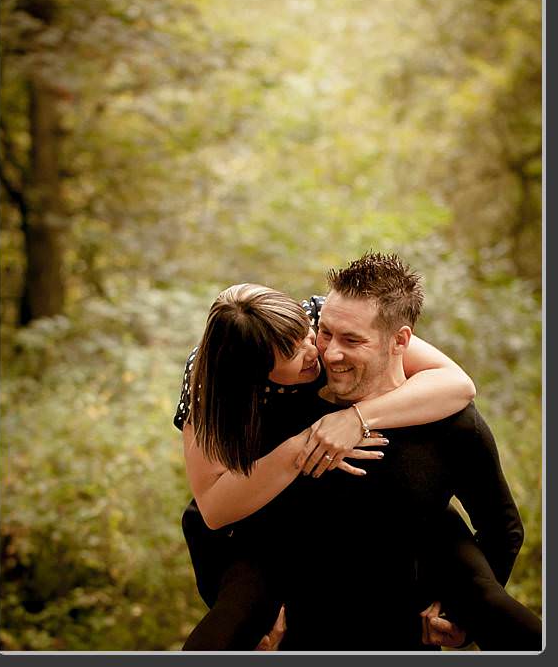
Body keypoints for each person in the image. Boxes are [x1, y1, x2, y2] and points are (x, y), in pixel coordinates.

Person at [178, 262, 536, 650]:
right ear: (258, 376)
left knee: (499, 612)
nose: (322, 354)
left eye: (318, 337)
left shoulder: (322, 320)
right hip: (295, 595)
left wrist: (356, 418)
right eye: (321, 340)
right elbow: (208, 514)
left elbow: (460, 386)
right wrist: (302, 447)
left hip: (405, 607)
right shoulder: (237, 397)